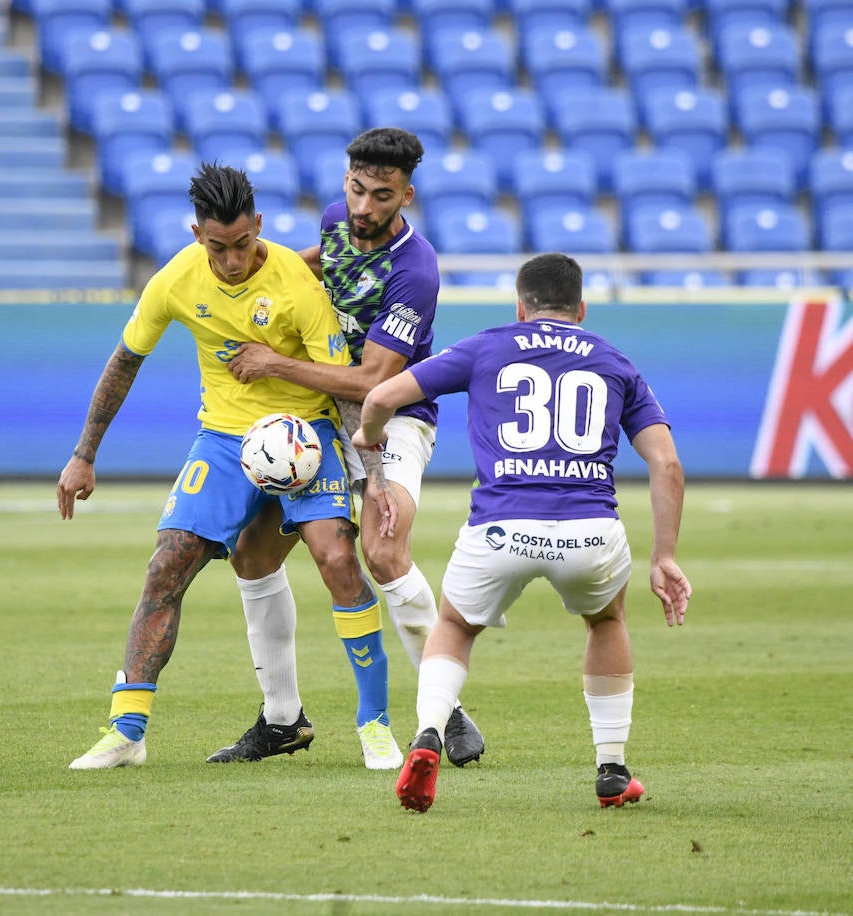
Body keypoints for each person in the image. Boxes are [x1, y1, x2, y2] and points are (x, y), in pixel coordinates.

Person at [58, 162, 384, 770]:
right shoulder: (175, 280)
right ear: (195, 234)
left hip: (303, 435)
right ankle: (128, 730)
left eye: (243, 245)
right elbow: (126, 359)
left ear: (258, 225)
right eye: (218, 248)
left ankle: (375, 725)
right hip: (223, 440)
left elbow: (347, 386)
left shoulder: (295, 281)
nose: (233, 261)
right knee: (166, 565)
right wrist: (84, 454)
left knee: (339, 558)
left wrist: (373, 479)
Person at [351, 252, 691, 812]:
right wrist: (666, 556)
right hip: (590, 533)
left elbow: (382, 396)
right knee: (606, 619)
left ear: (520, 306)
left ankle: (429, 735)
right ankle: (611, 768)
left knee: (456, 625)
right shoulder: (615, 361)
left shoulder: (488, 345)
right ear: (581, 307)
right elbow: (668, 466)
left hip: (500, 530)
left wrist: (370, 438)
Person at [224, 127, 484, 769]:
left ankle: (443, 707)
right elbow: (322, 260)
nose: (365, 208)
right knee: (253, 555)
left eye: (383, 196)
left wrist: (274, 362)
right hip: (319, 414)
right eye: (357, 189)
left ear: (407, 196)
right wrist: (262, 265)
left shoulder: (414, 271)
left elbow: (375, 382)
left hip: (391, 417)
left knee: (382, 549)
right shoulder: (339, 220)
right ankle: (281, 719)